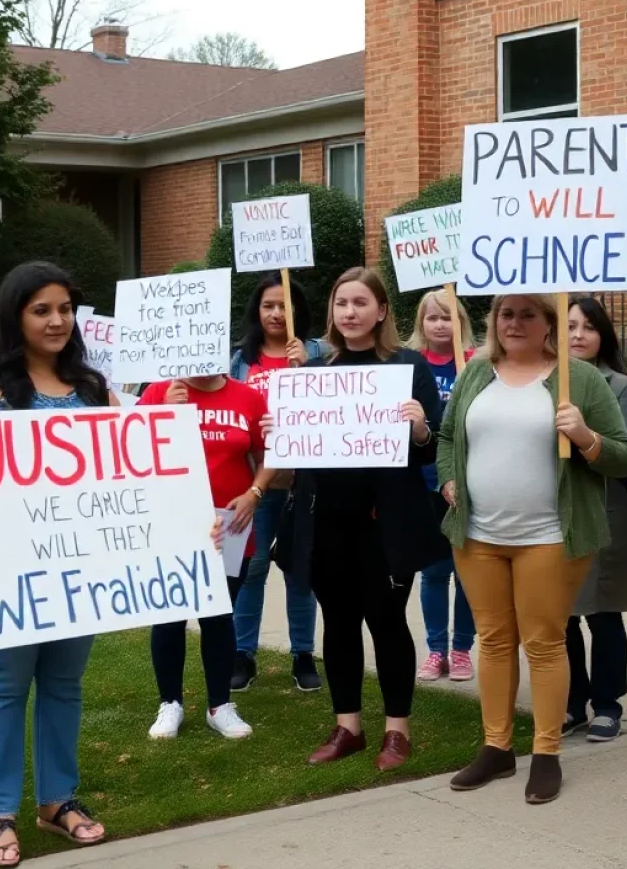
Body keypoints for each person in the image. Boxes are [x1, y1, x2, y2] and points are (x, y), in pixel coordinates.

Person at [0, 261, 111, 867]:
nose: (57, 320)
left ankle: (57, 801)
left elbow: (133, 468)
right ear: (16, 314)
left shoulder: (92, 386)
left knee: (64, 683)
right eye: (42, 310)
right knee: (5, 685)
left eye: (65, 309)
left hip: (79, 563)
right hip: (2, 567)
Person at [437, 293, 627, 804]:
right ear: (494, 320)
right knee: (495, 640)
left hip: (549, 537)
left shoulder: (579, 379)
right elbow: (445, 437)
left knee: (544, 642)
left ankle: (546, 753)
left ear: (549, 323)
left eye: (528, 314)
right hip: (478, 535)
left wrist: (586, 437)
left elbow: (623, 457)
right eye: (507, 313)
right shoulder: (476, 374)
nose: (515, 323)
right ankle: (497, 747)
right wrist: (448, 478)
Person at [274, 267, 445, 771]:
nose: (349, 312)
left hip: (385, 523)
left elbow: (430, 449)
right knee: (339, 622)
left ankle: (398, 731)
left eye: (360, 303)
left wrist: (418, 428)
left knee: (388, 621)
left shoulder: (408, 366)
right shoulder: (311, 373)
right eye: (341, 303)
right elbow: (297, 452)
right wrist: (278, 426)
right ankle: (347, 725)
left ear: (382, 311)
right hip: (324, 522)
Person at [140, 370, 273, 742]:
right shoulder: (158, 392)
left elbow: (269, 454)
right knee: (168, 616)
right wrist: (164, 414)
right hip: (169, 524)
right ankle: (170, 703)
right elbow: (132, 452)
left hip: (229, 526)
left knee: (219, 615)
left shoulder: (247, 398)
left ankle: (220, 705)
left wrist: (255, 493)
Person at [229, 272, 322, 693]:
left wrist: (311, 370)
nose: (276, 313)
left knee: (300, 571)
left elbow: (337, 410)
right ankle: (242, 654)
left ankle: (303, 654)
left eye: (283, 305)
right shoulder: (239, 361)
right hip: (254, 483)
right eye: (268, 305)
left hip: (305, 484)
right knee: (252, 568)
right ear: (256, 311)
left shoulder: (318, 352)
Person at [564, 297, 627, 742]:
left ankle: (608, 703)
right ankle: (571, 701)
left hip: (604, 510)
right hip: (554, 514)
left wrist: (584, 437)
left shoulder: (620, 387)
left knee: (603, 613)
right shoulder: (542, 383)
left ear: (604, 336)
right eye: (569, 326)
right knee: (560, 615)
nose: (578, 335)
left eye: (588, 327)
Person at [406, 289, 477, 683]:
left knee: (466, 572)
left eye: (447, 317)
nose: (439, 324)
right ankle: (436, 650)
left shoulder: (474, 365)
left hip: (466, 485)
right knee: (433, 572)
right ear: (421, 323)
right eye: (432, 318)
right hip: (423, 485)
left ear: (460, 323)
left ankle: (462, 649)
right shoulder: (409, 365)